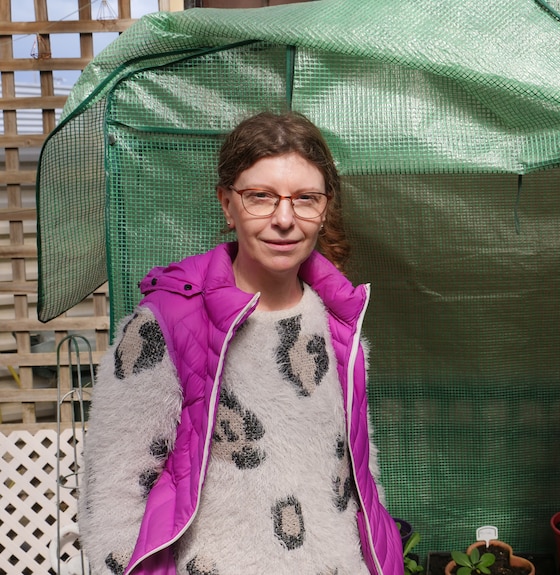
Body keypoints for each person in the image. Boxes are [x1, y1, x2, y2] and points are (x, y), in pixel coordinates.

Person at [79, 111, 403, 575]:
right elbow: (112, 495)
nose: (285, 219)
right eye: (261, 198)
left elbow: (357, 479)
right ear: (227, 205)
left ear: (325, 207)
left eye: (305, 198)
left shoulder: (340, 325)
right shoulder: (164, 327)